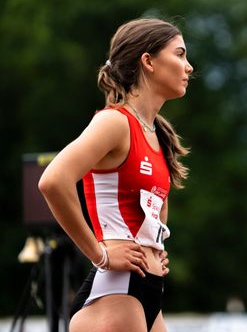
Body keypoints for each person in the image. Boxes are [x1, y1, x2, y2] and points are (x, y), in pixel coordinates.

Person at [38, 18, 194, 332]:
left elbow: (154, 213)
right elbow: (53, 180)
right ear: (148, 61)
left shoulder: (156, 134)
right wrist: (100, 255)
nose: (188, 67)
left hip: (148, 292)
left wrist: (157, 248)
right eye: (180, 54)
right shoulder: (114, 122)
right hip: (116, 291)